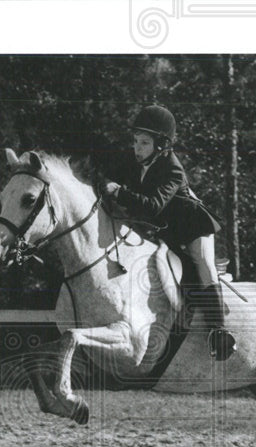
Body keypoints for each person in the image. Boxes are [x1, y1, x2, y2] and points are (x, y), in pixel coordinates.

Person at [102, 105, 236, 361]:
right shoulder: (137, 162)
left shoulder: (173, 168)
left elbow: (153, 205)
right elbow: (110, 178)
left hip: (193, 225)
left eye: (144, 142)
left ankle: (220, 333)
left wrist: (119, 192)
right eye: (135, 142)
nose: (137, 148)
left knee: (203, 263)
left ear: (161, 145)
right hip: (166, 229)